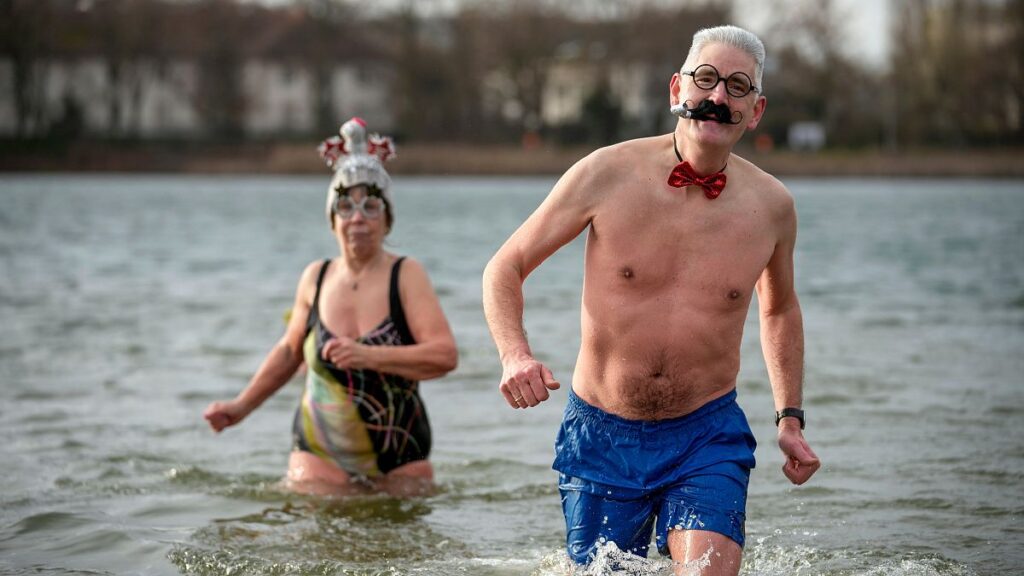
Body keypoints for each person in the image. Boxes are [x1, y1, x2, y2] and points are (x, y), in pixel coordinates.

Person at [482, 25, 819, 574]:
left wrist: (790, 418)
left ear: (755, 112)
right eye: (705, 80)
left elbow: (778, 309)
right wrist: (514, 353)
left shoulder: (773, 207)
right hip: (601, 431)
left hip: (706, 433)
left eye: (737, 87)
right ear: (675, 91)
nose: (717, 98)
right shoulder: (605, 173)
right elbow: (505, 266)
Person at [204, 118, 458, 496]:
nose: (358, 218)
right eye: (345, 206)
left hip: (400, 450)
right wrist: (241, 407)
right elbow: (290, 352)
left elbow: (444, 356)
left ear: (387, 220)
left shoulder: (406, 274)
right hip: (319, 448)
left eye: (371, 206)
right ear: (332, 219)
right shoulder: (315, 277)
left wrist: (368, 356)